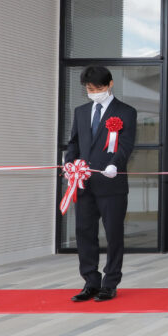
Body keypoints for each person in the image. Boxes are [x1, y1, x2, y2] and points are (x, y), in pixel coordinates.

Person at [64, 66, 137, 302]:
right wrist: (70, 164)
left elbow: (125, 145)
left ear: (110, 84)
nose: (94, 92)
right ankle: (90, 281)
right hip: (84, 183)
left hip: (111, 183)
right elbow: (74, 142)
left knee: (113, 234)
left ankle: (110, 282)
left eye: (98, 88)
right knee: (84, 232)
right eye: (90, 89)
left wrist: (115, 164)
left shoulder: (126, 112)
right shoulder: (81, 111)